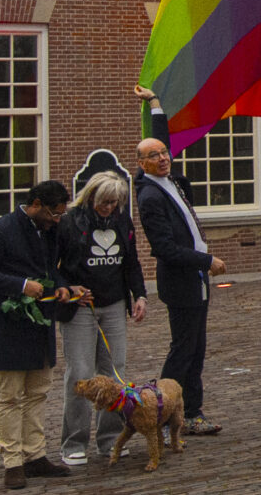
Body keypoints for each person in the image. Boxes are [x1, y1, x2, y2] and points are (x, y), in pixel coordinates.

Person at [0, 180, 90, 489]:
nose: (57, 220)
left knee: (38, 391)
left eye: (61, 214)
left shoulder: (48, 231)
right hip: (8, 325)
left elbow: (51, 269)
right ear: (36, 204)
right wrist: (22, 285)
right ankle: (12, 462)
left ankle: (35, 455)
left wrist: (62, 286)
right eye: (53, 213)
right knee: (11, 395)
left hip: (40, 325)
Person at [135, 87, 227, 436]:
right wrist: (206, 260)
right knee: (183, 350)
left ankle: (191, 412)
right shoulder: (150, 196)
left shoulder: (166, 178)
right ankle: (162, 413)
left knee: (196, 348)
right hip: (182, 280)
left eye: (164, 153)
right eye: (154, 156)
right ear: (142, 164)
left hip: (196, 281)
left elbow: (162, 138)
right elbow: (164, 248)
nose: (163, 158)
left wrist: (154, 102)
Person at [55, 171, 148, 467]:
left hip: (114, 303)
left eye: (114, 203)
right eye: (104, 202)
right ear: (91, 196)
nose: (109, 208)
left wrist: (140, 295)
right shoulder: (70, 222)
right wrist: (69, 289)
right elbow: (52, 265)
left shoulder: (122, 221)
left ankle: (110, 439)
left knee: (114, 371)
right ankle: (74, 442)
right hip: (81, 306)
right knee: (81, 374)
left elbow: (131, 261)